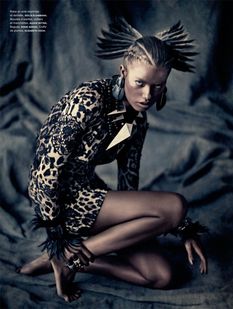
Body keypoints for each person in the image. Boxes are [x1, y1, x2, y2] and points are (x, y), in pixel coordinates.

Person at [18, 18, 208, 303]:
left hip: (94, 198)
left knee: (161, 276)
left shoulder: (136, 123)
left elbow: (128, 186)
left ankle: (68, 260)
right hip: (61, 203)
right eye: (140, 83)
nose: (147, 95)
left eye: (158, 86)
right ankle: (68, 255)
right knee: (176, 204)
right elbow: (46, 169)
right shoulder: (89, 100)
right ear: (123, 71)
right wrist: (55, 233)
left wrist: (180, 227)